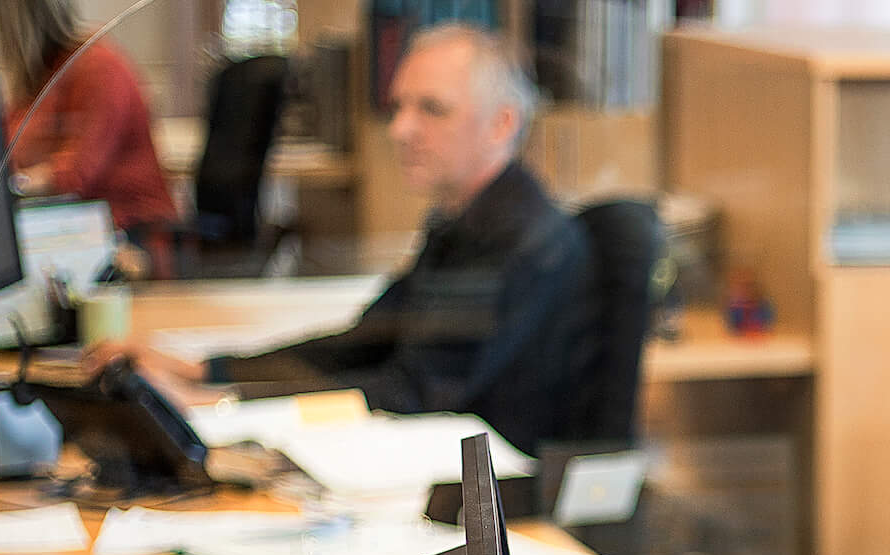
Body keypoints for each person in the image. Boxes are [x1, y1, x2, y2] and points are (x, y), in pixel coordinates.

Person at [89, 25, 599, 456]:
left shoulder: (520, 238)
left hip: (487, 500)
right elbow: (362, 341)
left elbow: (413, 391)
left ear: (502, 124)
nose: (400, 129)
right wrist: (206, 369)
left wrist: (228, 402)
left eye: (432, 109)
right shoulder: (465, 221)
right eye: (398, 106)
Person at [0, 0, 177, 275]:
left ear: (16, 22)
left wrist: (16, 183)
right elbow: (7, 142)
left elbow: (78, 172)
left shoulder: (97, 67)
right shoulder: (44, 72)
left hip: (127, 229)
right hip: (74, 222)